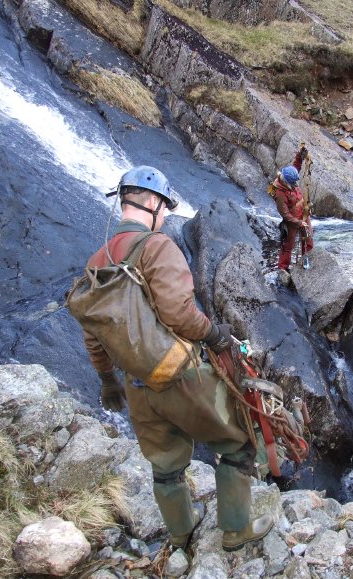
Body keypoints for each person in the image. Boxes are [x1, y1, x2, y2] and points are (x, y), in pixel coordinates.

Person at [81, 165, 273, 551]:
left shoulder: (96, 261)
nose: (166, 214)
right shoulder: (157, 247)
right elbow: (178, 313)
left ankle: (181, 536)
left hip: (137, 384)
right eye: (164, 206)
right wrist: (218, 337)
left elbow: (93, 335)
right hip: (180, 375)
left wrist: (107, 380)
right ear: (150, 202)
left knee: (166, 466)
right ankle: (235, 531)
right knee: (239, 446)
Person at [271, 142, 313, 271]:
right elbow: (285, 214)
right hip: (291, 221)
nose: (296, 185)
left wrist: (300, 155)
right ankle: (282, 269)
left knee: (309, 239)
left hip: (303, 213)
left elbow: (296, 166)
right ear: (285, 181)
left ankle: (308, 262)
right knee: (287, 245)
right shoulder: (279, 193)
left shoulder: (290, 174)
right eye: (293, 183)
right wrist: (299, 223)